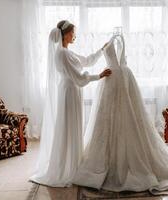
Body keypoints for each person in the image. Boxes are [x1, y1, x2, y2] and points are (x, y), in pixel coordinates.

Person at [73, 34, 168, 195]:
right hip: (111, 79)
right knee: (106, 119)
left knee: (128, 116)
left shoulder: (118, 39)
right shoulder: (111, 42)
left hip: (119, 79)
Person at [30, 20, 111, 187]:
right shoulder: (62, 54)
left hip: (71, 91)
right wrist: (99, 76)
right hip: (70, 92)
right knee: (69, 126)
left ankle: (72, 162)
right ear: (66, 34)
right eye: (73, 32)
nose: (75, 35)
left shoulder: (66, 52)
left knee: (72, 125)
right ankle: (69, 166)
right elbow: (79, 78)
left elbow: (87, 61)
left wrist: (102, 51)